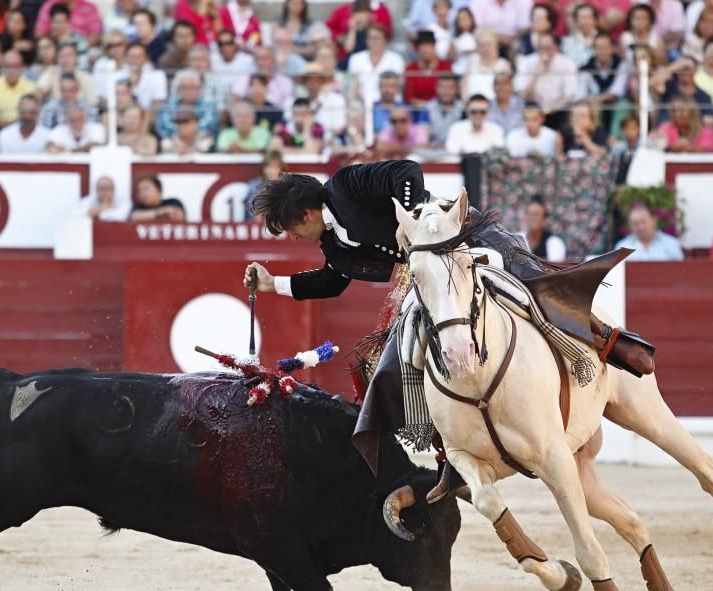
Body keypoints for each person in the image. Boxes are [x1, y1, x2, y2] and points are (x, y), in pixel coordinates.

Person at [244, 160, 655, 480]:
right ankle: (448, 444)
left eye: (289, 230)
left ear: (303, 214)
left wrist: (410, 221)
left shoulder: (344, 186)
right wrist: (272, 284)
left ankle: (609, 340)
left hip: (459, 239)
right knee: (390, 355)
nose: (293, 238)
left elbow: (405, 171)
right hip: (426, 276)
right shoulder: (334, 244)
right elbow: (332, 282)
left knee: (532, 282)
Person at [0, 50, 38, 128]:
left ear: (22, 68)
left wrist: (11, 126)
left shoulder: (31, 87)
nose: (12, 70)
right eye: (8, 66)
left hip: (23, 127)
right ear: (2, 67)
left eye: (15, 66)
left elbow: (31, 114)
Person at [614, 203, 684, 261]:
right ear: (630, 226)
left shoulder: (671, 244)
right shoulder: (622, 247)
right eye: (635, 223)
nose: (640, 227)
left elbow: (681, 272)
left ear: (654, 221)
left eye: (643, 222)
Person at [518, 195, 566, 261]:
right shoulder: (517, 239)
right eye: (529, 214)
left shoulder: (554, 243)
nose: (532, 218)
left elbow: (555, 268)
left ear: (544, 219)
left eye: (536, 215)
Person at [244, 150, 286, 221]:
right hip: (259, 228)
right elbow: (254, 217)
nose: (271, 171)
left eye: (275, 167)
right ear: (263, 168)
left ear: (281, 168)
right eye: (268, 167)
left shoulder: (288, 187)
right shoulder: (254, 187)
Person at [425, 74, 463, 146]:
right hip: (432, 149)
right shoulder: (428, 108)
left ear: (457, 89)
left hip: (456, 148)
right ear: (436, 88)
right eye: (442, 87)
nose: (446, 91)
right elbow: (423, 135)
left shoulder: (463, 109)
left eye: (450, 88)